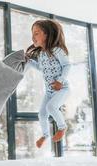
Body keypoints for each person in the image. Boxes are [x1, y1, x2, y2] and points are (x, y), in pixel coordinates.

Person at [25, 19, 71, 148]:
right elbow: (41, 69)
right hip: (49, 91)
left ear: (46, 34)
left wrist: (60, 81)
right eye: (32, 34)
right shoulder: (41, 55)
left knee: (51, 107)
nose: (33, 37)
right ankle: (45, 135)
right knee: (42, 114)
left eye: (36, 33)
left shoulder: (57, 50)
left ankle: (62, 127)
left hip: (62, 89)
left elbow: (67, 65)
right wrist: (28, 61)